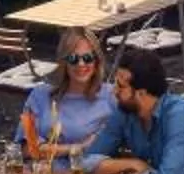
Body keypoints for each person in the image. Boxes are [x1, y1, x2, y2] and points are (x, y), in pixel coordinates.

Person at [19, 24, 118, 160]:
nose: (81, 64)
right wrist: (77, 148)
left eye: (88, 58)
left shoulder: (111, 96)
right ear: (63, 62)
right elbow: (27, 148)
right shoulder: (39, 94)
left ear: (96, 61)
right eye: (73, 59)